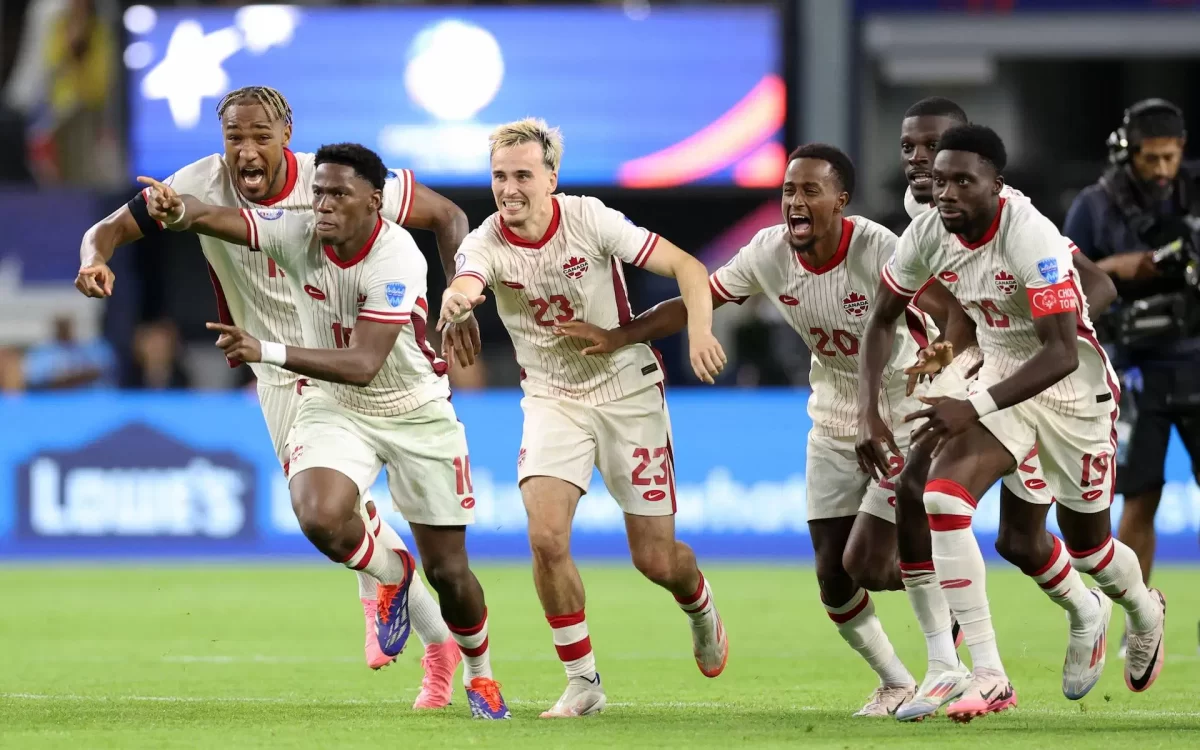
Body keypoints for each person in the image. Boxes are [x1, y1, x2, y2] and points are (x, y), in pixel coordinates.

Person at [74, 86, 470, 706]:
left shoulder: (333, 180)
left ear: (288, 132)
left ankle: (423, 635)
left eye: (261, 135)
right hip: (279, 373)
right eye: (235, 137)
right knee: (331, 518)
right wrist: (95, 258)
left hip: (355, 356)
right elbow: (109, 229)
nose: (248, 150)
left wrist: (458, 299)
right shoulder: (196, 182)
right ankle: (406, 602)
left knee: (332, 511)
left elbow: (448, 217)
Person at [553, 143, 975, 717]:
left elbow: (952, 310)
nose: (794, 202)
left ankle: (951, 629)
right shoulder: (768, 252)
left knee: (870, 564)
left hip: (900, 415)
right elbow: (698, 296)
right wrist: (623, 335)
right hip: (829, 419)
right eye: (788, 192)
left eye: (810, 191)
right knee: (832, 578)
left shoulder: (882, 249)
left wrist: (947, 351)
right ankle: (895, 682)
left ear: (841, 202)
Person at [139, 143, 511, 720]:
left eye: (339, 195)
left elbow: (364, 362)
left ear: (375, 202)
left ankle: (480, 672)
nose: (325, 206)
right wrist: (176, 210)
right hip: (336, 407)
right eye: (319, 194)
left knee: (451, 574)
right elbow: (221, 218)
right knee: (318, 513)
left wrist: (266, 349)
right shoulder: (297, 231)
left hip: (414, 410)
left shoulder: (398, 258)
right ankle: (390, 572)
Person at [858, 124, 1167, 723]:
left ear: (996, 186)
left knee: (1090, 549)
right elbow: (881, 318)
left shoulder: (1034, 237)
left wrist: (969, 406)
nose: (945, 192)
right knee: (944, 499)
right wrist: (870, 410)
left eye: (961, 181)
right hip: (1002, 375)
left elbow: (1058, 350)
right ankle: (989, 675)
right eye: (940, 180)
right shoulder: (925, 232)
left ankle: (1140, 611)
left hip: (1072, 392)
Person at [438, 117, 728, 718]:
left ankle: (698, 604)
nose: (509, 188)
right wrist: (457, 304)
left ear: (551, 178)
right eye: (499, 176)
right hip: (552, 399)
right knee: (545, 536)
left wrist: (699, 331)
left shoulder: (590, 218)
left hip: (628, 393)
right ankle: (583, 681)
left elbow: (689, 269)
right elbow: (466, 282)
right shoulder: (485, 241)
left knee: (655, 559)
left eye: (522, 175)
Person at [1063, 98, 1200, 656]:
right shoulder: (1096, 206)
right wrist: (1129, 267)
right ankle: (1138, 624)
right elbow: (1066, 274)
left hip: (1195, 358)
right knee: (1140, 496)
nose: (1163, 169)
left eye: (1171, 157)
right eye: (1151, 159)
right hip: (1132, 366)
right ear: (1128, 152)